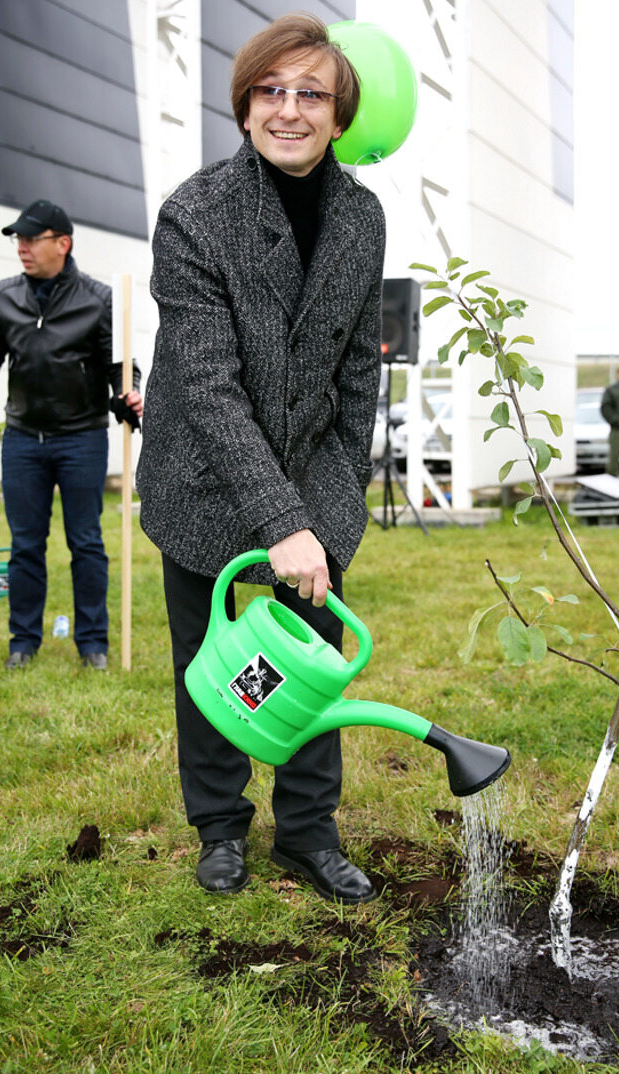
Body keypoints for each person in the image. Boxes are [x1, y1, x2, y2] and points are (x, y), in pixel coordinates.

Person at [136, 14, 385, 903]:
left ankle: (308, 833)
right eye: (270, 93)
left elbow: (358, 372)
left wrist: (332, 504)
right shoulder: (194, 214)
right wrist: (279, 522)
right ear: (244, 110)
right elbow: (206, 387)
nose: (289, 110)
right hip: (200, 471)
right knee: (208, 657)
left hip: (311, 468)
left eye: (309, 94)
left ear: (338, 114)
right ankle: (219, 829)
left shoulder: (362, 218)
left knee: (315, 657)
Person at [0, 200, 142, 670]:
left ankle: (93, 645)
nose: (21, 248)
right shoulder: (6, 296)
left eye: (30, 239)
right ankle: (23, 642)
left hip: (81, 439)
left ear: (63, 242)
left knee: (86, 542)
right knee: (25, 546)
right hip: (23, 440)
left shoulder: (97, 299)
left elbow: (119, 367)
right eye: (17, 239)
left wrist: (130, 393)